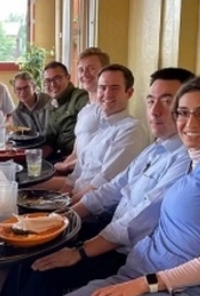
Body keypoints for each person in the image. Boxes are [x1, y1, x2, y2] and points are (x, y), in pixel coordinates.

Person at [0, 68, 195, 296]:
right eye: (151, 99)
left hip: (130, 255)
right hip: (110, 232)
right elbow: (111, 190)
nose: (155, 110)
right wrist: (63, 217)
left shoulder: (185, 161)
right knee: (33, 247)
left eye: (167, 101)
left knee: (48, 271)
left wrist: (79, 251)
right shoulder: (156, 148)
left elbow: (135, 220)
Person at [32, 73, 200, 296]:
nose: (190, 122)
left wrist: (144, 283)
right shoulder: (190, 161)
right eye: (184, 112)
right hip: (134, 278)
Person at [36, 64, 149, 204]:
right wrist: (58, 198)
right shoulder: (101, 126)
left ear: (129, 93)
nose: (107, 93)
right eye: (102, 87)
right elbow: (78, 173)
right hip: (74, 196)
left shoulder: (131, 130)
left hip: (93, 210)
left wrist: (65, 205)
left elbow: (103, 183)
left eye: (115, 88)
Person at [54, 47, 110, 174]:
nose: (85, 74)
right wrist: (62, 166)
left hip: (90, 177)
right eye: (81, 70)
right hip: (74, 173)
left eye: (91, 68)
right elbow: (76, 153)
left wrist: (66, 167)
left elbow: (100, 156)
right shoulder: (84, 111)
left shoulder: (107, 111)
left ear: (104, 72)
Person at [40, 61, 89, 161]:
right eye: (48, 81)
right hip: (59, 157)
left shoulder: (80, 98)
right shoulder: (50, 106)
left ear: (68, 77)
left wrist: (72, 160)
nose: (52, 84)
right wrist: (35, 158)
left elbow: (89, 134)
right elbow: (50, 141)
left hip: (80, 159)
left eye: (57, 78)